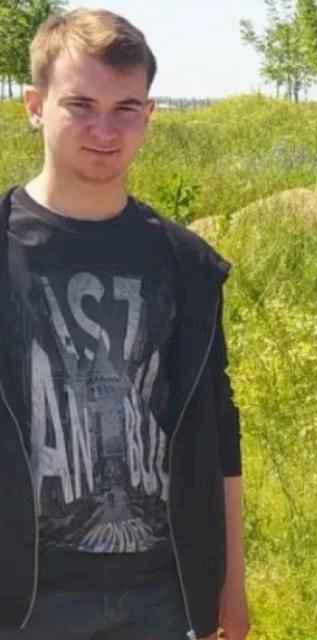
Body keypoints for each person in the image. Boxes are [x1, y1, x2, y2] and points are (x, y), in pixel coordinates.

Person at [0, 9, 250, 640]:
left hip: (159, 593)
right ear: (34, 104)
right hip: (21, 594)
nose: (103, 130)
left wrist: (232, 583)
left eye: (126, 108)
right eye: (80, 105)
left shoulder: (186, 265)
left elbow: (218, 433)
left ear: (150, 114)